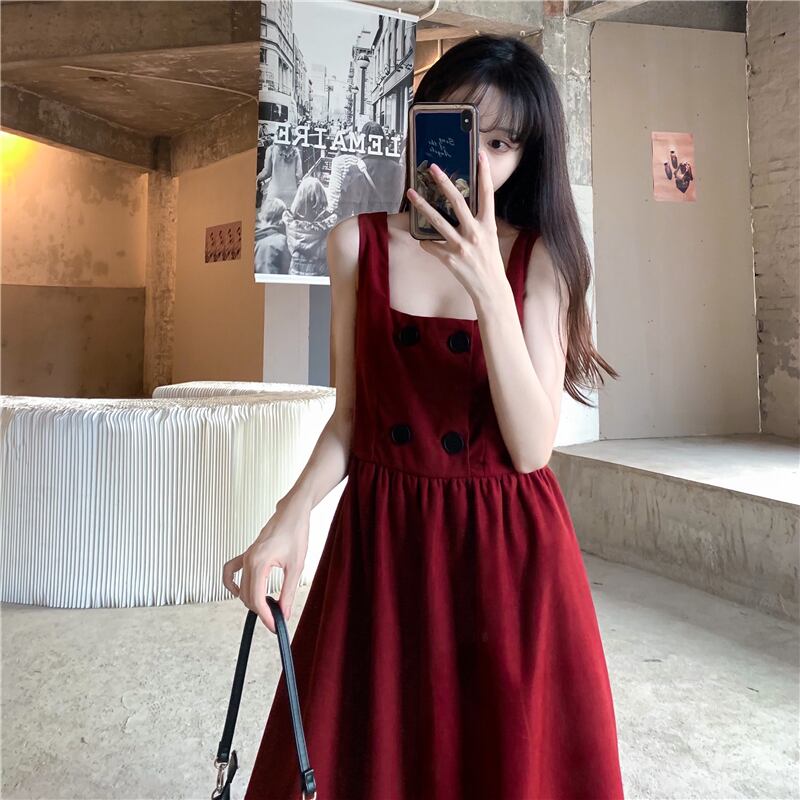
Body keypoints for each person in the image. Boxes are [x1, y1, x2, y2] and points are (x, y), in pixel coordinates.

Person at [225, 33, 625, 800]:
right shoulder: (356, 244)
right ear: (422, 123)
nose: (479, 158)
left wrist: (489, 287)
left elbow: (532, 447)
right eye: (462, 128)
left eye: (502, 143)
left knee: (501, 759)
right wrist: (289, 515)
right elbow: (353, 419)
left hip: (505, 550)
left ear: (527, 156)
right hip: (384, 539)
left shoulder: (541, 258)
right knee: (376, 754)